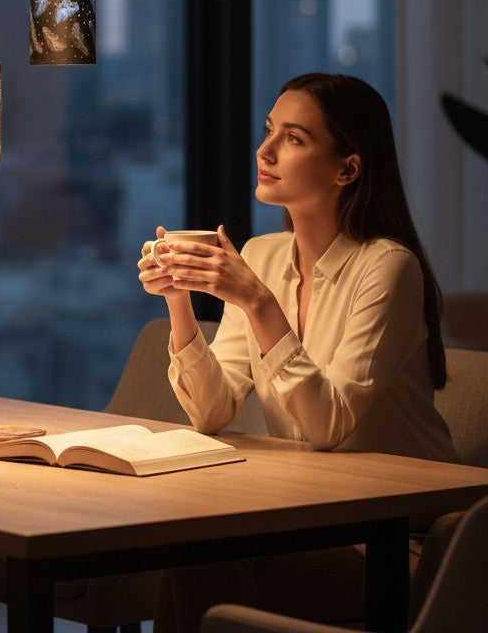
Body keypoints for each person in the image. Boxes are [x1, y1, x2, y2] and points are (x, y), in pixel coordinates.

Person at [138, 73, 457, 632]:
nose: (264, 150)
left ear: (348, 169)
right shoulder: (262, 254)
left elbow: (327, 426)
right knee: (191, 553)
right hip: (311, 517)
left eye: (294, 138)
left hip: (395, 540)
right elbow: (212, 411)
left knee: (201, 559)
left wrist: (257, 301)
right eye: (268, 131)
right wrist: (179, 300)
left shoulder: (387, 267)